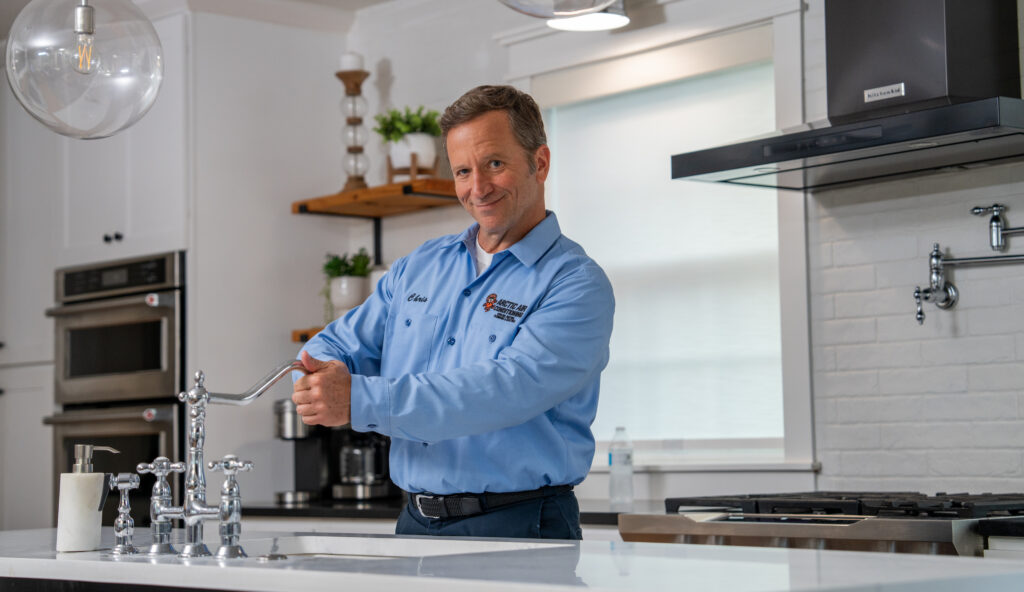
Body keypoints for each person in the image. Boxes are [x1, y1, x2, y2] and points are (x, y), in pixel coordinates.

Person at [291, 84, 614, 539]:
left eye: (494, 164)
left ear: (539, 163)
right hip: (415, 523)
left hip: (519, 523)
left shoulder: (575, 283)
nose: (477, 188)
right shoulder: (421, 266)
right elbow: (334, 344)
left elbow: (504, 390)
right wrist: (317, 380)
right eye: (463, 171)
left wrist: (359, 400)